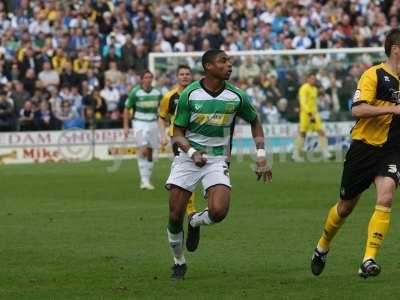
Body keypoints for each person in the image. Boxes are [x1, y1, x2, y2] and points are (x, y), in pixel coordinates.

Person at [165, 49, 272, 279]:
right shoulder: (190, 95)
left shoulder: (237, 96)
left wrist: (261, 155)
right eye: (223, 61)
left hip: (217, 159)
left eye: (230, 61)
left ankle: (195, 221)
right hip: (188, 157)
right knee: (175, 215)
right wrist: (192, 152)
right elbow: (177, 132)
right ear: (208, 67)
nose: (229, 65)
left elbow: (255, 122)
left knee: (219, 211)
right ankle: (179, 261)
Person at [310, 29, 400, 278]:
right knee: (345, 207)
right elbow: (357, 110)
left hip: (391, 151)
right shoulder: (374, 75)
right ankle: (322, 245)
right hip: (364, 148)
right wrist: (392, 109)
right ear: (395, 48)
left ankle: (368, 259)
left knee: (386, 196)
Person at [159, 65, 197, 216]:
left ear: (191, 76)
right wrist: (162, 135)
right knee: (189, 168)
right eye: (181, 74)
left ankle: (174, 183)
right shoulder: (170, 96)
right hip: (177, 136)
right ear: (177, 77)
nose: (185, 76)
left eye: (187, 74)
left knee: (193, 167)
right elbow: (162, 118)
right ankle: (190, 208)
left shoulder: (196, 94)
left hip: (195, 135)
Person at [123, 70, 162, 190]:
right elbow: (126, 108)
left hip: (153, 123)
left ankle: (146, 180)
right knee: (143, 150)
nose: (148, 79)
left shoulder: (157, 92)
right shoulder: (135, 92)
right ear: (141, 79)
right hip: (139, 123)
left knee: (150, 152)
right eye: (146, 77)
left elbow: (162, 108)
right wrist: (125, 126)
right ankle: (144, 180)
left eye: (150, 77)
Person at [292, 72, 332, 161]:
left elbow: (313, 101)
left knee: (321, 131)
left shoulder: (314, 89)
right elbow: (303, 103)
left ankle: (326, 153)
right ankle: (295, 155)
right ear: (308, 79)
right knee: (303, 133)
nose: (314, 80)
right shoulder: (304, 88)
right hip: (306, 115)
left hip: (315, 114)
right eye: (312, 78)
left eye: (315, 79)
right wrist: (309, 114)